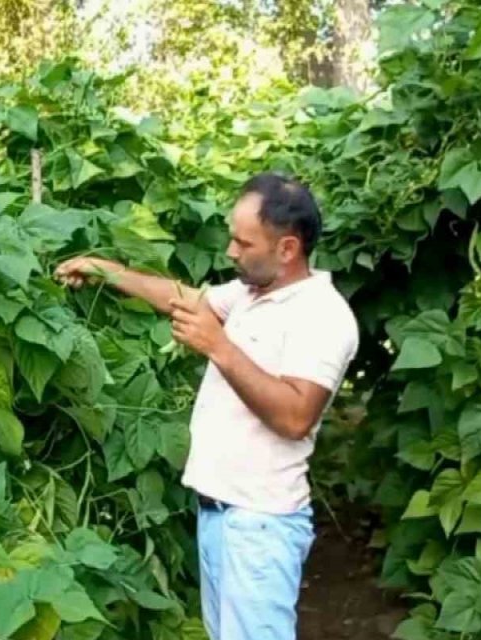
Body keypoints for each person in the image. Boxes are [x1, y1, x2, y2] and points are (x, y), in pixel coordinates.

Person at [54, 172, 359, 640]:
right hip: (220, 517)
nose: (231, 252)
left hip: (260, 527)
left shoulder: (323, 315)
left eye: (244, 242)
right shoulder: (251, 294)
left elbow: (297, 417)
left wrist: (219, 347)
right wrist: (102, 268)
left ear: (287, 249)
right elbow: (183, 298)